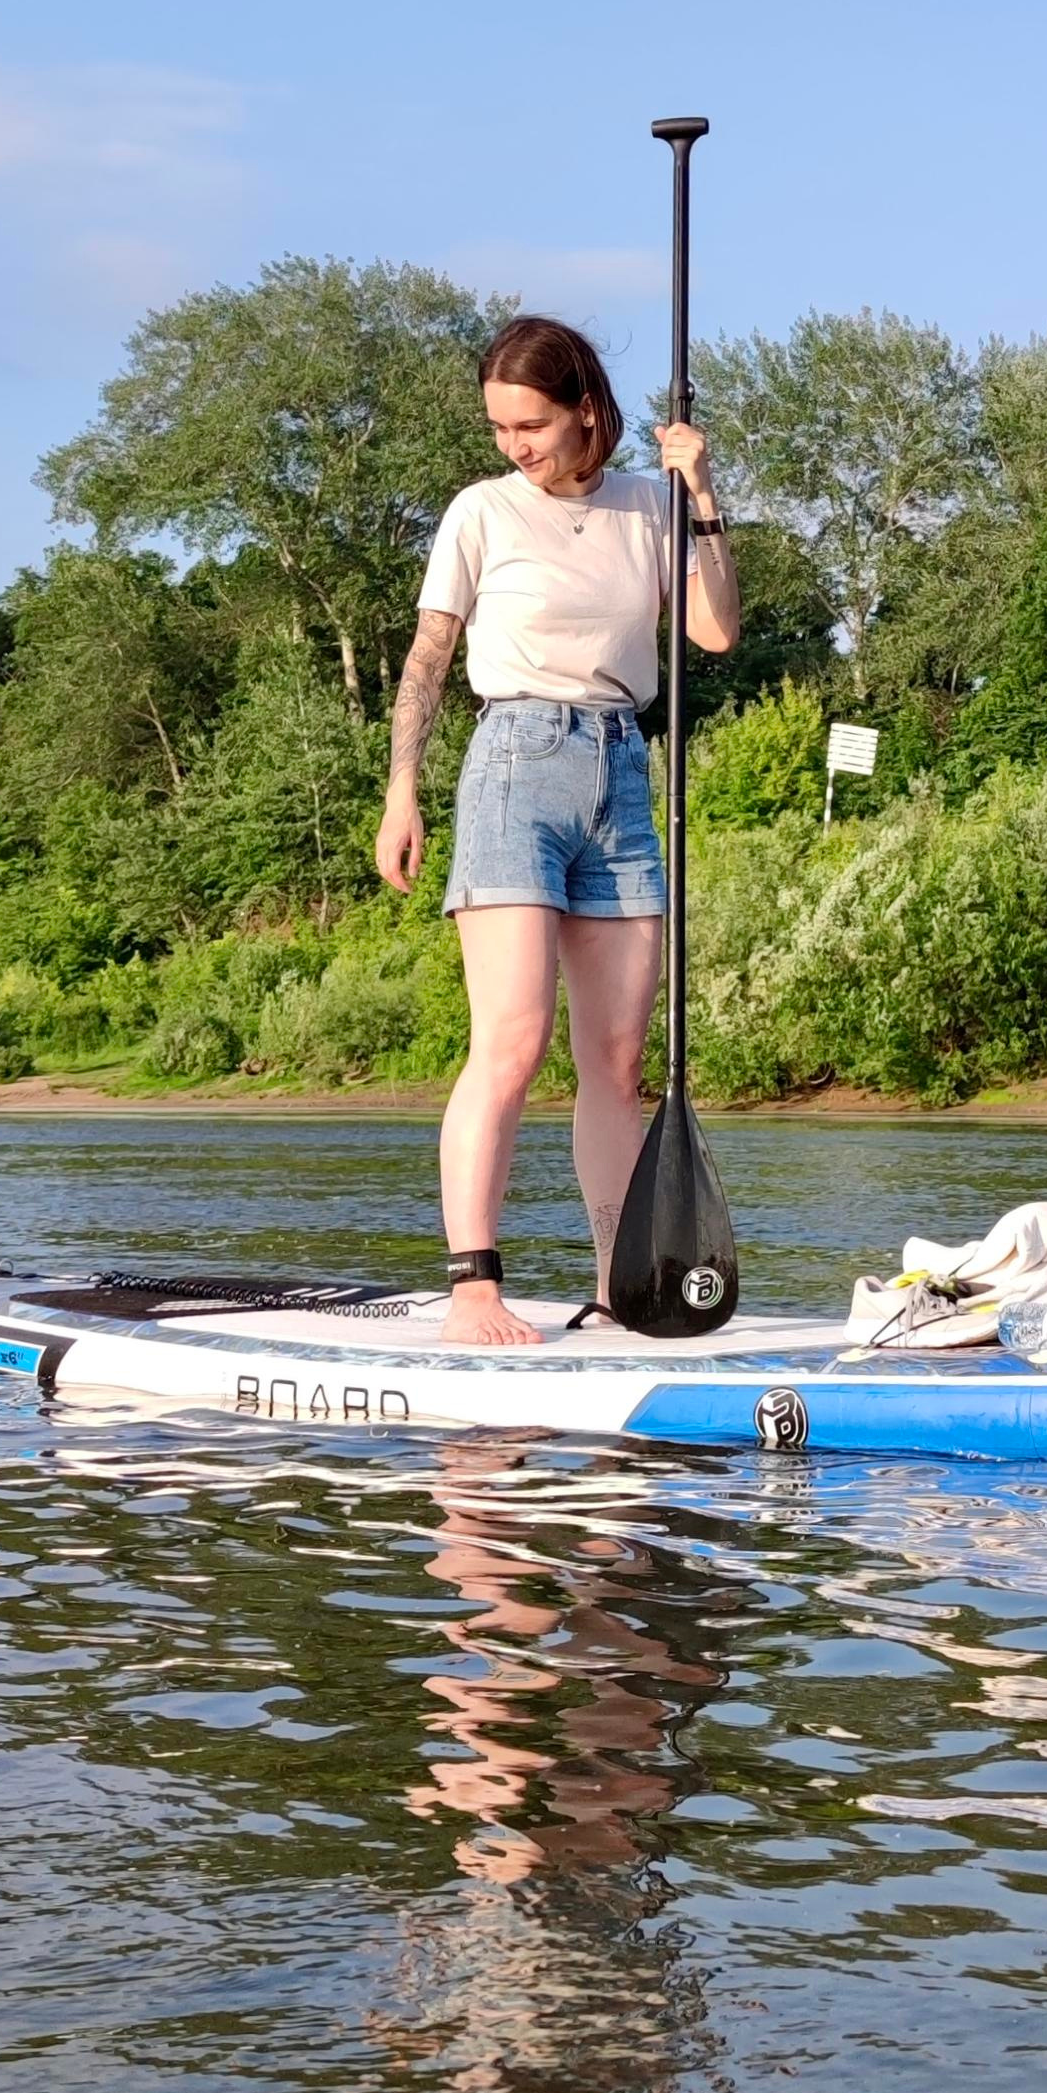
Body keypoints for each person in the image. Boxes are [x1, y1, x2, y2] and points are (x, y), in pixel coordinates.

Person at [375, 315, 740, 1345]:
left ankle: (619, 1285)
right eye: (498, 427)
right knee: (512, 1041)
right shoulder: (480, 513)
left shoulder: (646, 503)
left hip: (623, 769)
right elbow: (428, 657)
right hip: (513, 766)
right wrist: (401, 792)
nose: (513, 445)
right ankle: (473, 1287)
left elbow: (713, 630)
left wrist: (701, 492)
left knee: (616, 1062)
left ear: (585, 407)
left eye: (528, 424)